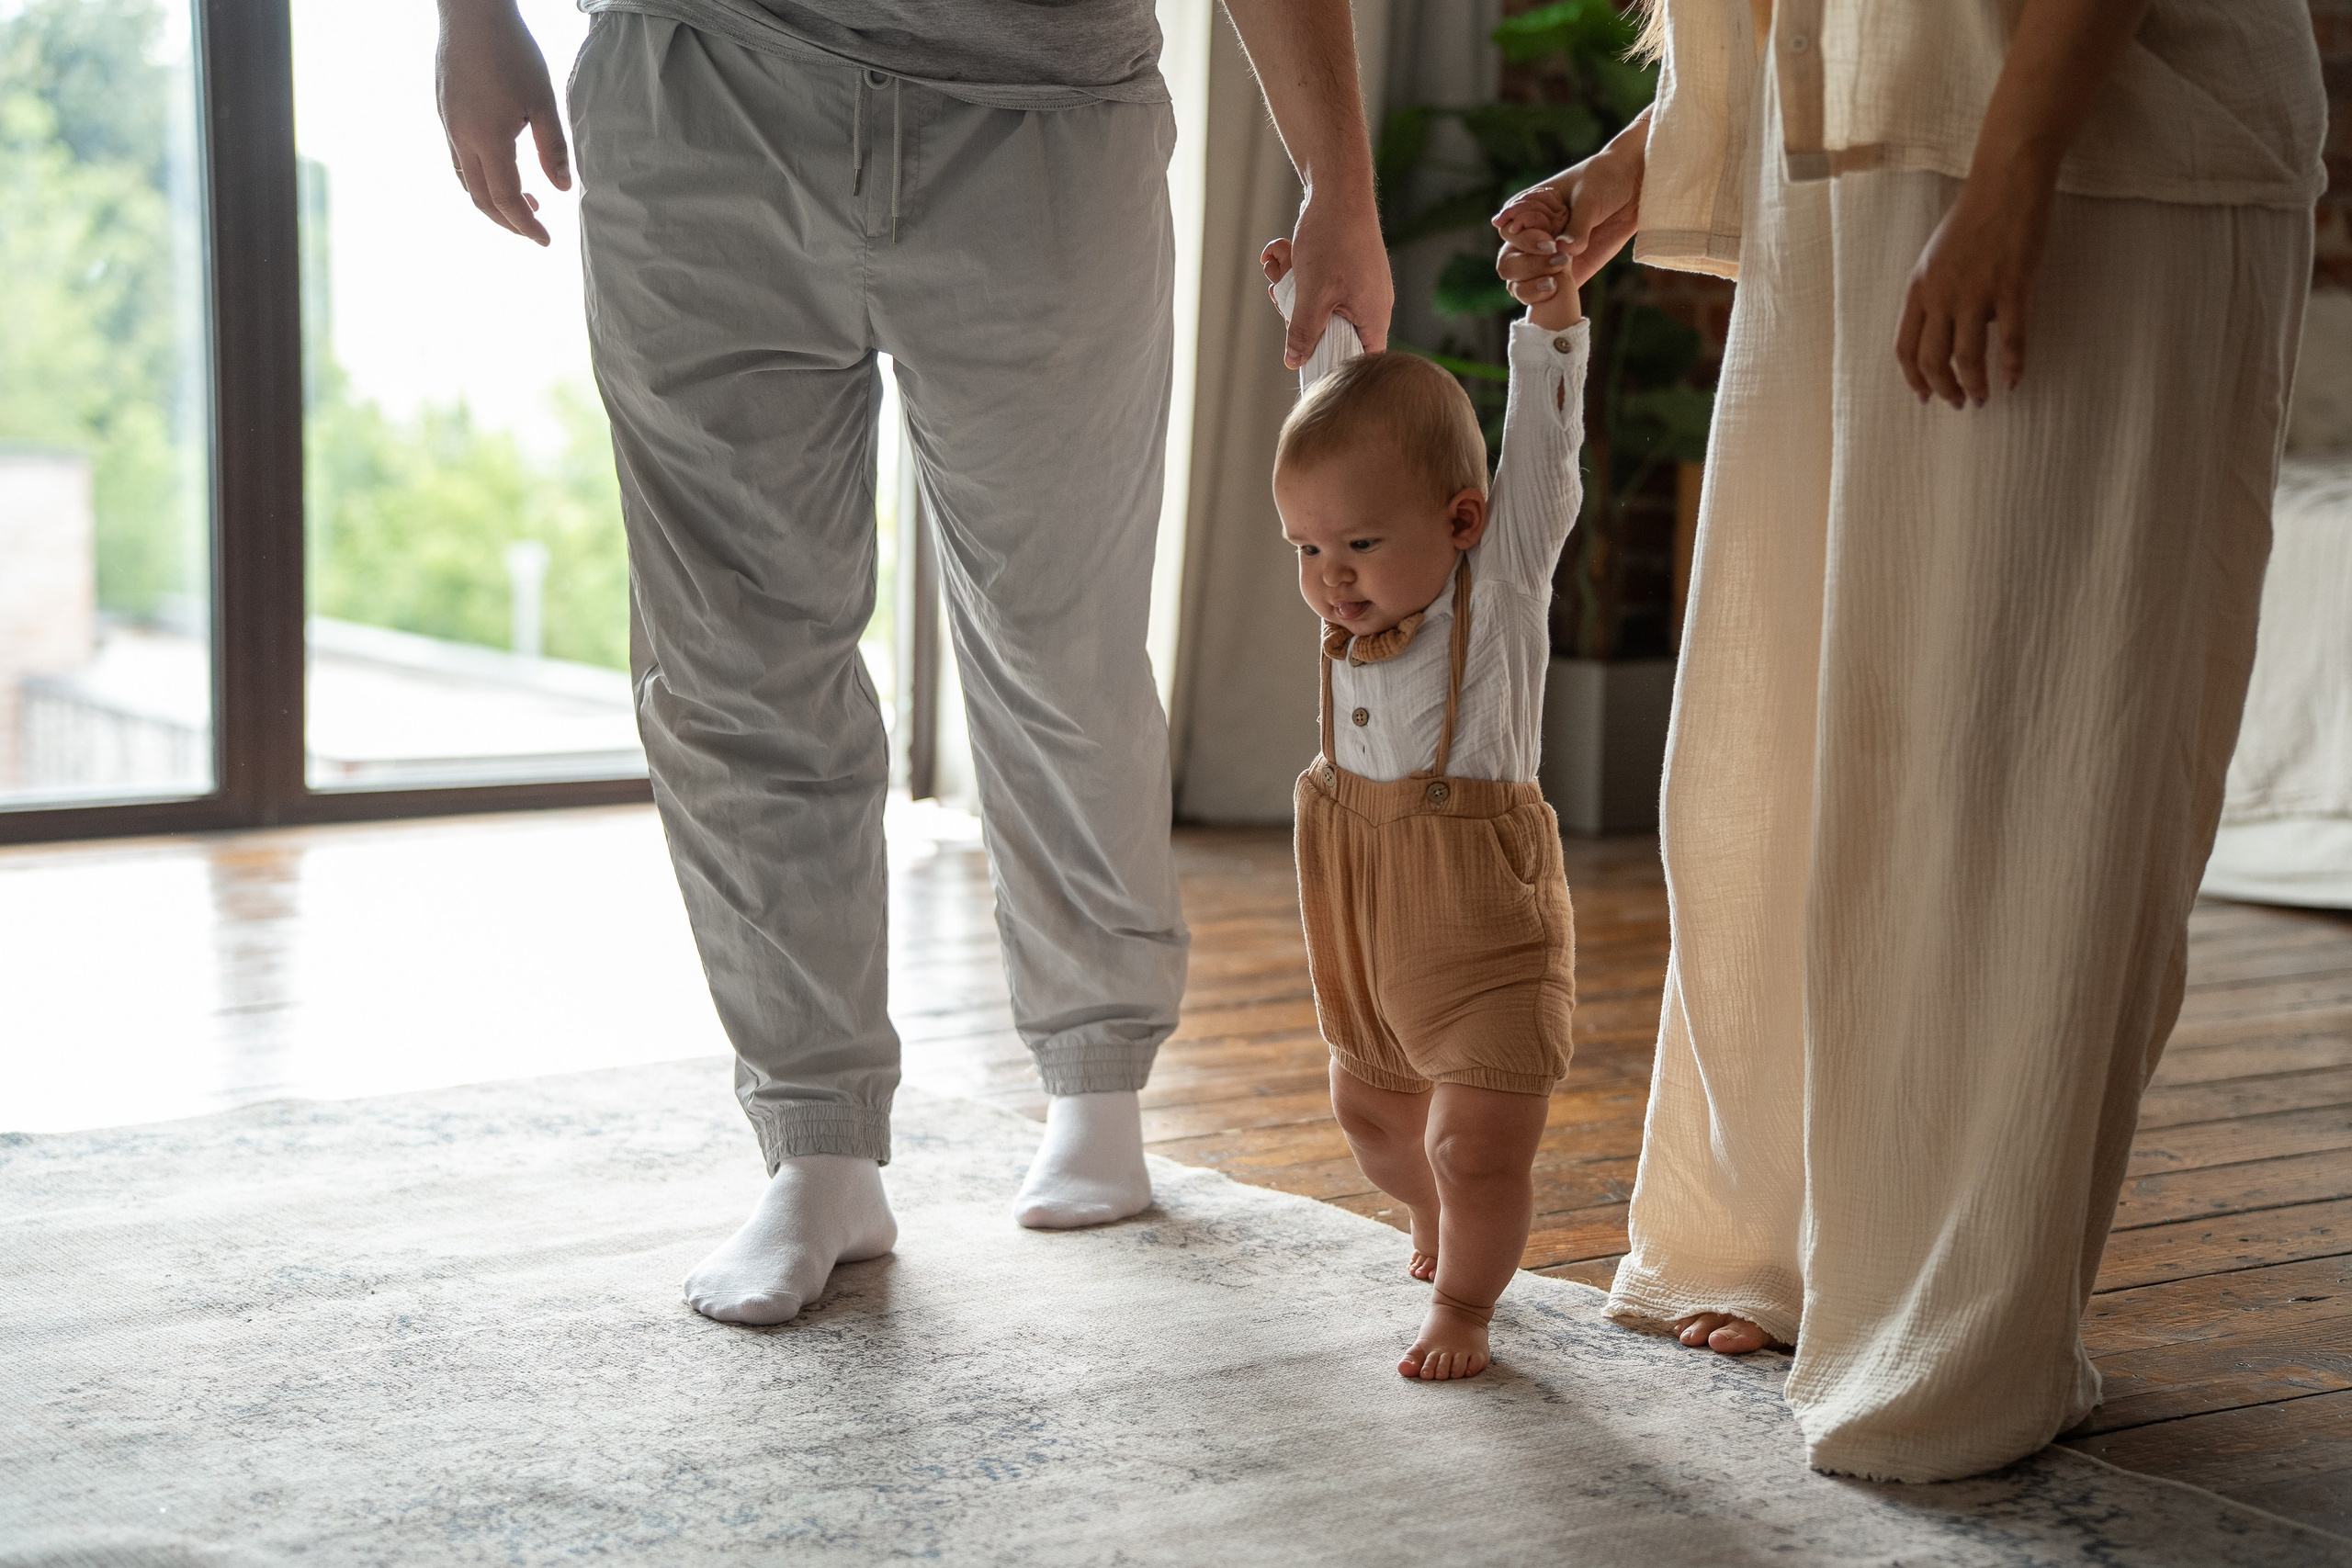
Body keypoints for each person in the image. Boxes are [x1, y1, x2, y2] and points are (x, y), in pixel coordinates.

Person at [434, 0, 1396, 1325]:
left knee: (1062, 635)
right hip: (697, 84)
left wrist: (1337, 176)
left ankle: (1097, 1080)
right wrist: (472, 18)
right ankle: (817, 1143)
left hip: (1044, 118)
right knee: (732, 654)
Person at [1490, 0, 2322, 1480]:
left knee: (2029, 754)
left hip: (2101, 154)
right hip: (1849, 169)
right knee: (1792, 722)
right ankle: (1779, 1239)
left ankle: (1954, 1324)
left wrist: (2013, 183)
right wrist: (1651, 154)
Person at [1263, 231, 1589, 1381]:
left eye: (1356, 546)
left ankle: (1465, 1305)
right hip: (1355, 885)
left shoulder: (1492, 588)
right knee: (1372, 1119)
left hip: (1475, 901)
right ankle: (1426, 1217)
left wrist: (1549, 331)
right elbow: (1338, 416)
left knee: (1472, 1140)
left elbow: (1543, 463)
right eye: (1307, 549)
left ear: (1460, 523)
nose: (1330, 578)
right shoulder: (1355, 574)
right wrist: (1316, 308)